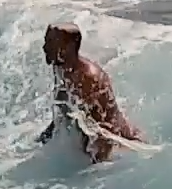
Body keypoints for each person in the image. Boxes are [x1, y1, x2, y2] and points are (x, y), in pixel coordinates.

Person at [36, 22, 142, 163]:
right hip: (95, 138)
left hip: (123, 143)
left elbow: (105, 131)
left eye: (51, 42)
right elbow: (63, 105)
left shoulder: (88, 80)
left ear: (68, 47)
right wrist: (47, 135)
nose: (45, 47)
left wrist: (93, 174)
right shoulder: (60, 64)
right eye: (46, 41)